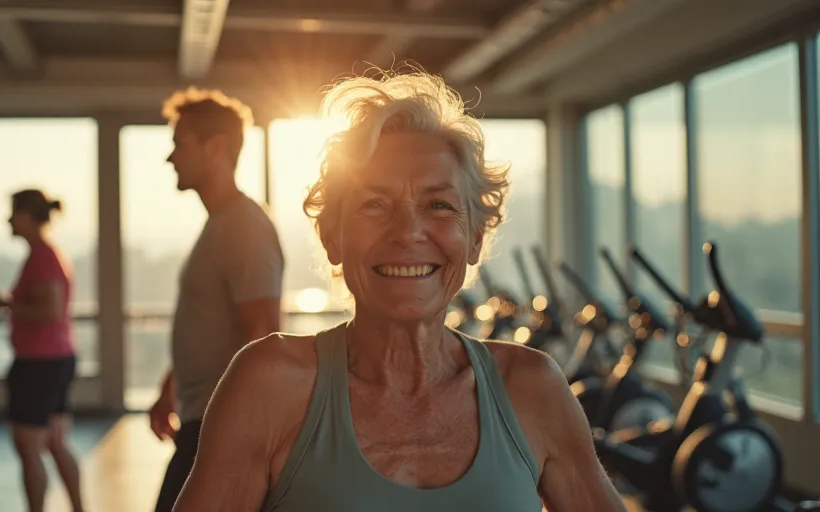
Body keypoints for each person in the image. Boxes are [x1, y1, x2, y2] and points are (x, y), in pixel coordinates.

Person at [173, 71, 628, 511]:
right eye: (375, 204)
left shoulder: (533, 388)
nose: (408, 232)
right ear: (333, 236)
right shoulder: (268, 386)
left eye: (438, 205)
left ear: (474, 239)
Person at [149, 87, 285, 512]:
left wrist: (236, 439)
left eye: (180, 144)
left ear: (216, 148)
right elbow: (209, 321)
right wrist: (171, 386)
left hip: (217, 427)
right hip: (202, 420)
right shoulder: (220, 226)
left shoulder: (245, 227)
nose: (171, 157)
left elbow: (262, 335)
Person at [0, 189, 85, 512]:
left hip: (40, 363)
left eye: (14, 212)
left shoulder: (43, 257)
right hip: (55, 359)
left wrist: (4, 303)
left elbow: (49, 311)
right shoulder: (47, 255)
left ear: (27, 215)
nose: (9, 219)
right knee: (55, 442)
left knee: (29, 448)